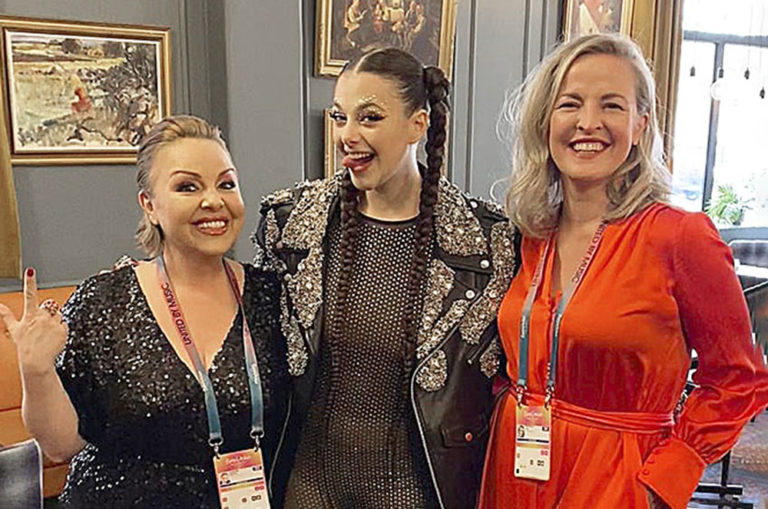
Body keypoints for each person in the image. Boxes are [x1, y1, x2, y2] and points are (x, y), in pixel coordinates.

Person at [478, 33, 768, 509]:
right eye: (570, 103)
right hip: (514, 465)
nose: (587, 122)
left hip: (617, 478)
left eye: (611, 105)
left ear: (640, 125)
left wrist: (667, 478)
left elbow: (740, 377)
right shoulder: (532, 233)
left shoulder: (680, 236)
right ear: (546, 121)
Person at [253, 47, 518, 508]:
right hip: (309, 488)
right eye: (340, 117)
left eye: (369, 118)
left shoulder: (488, 243)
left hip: (414, 492)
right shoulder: (291, 226)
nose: (347, 135)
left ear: (418, 124)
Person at [0, 115, 290, 508]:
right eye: (187, 186)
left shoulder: (272, 297)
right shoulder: (104, 301)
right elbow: (61, 445)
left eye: (226, 184)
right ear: (149, 205)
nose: (213, 201)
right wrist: (35, 369)